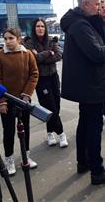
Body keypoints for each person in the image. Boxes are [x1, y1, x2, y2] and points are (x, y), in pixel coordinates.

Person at [60, 0, 105, 185]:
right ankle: (97, 170)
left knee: (85, 123)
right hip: (91, 86)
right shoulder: (80, 25)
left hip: (87, 85)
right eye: (96, 4)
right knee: (93, 127)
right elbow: (96, 53)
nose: (99, 7)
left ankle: (84, 162)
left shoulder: (81, 22)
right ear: (85, 4)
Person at [0, 28, 39, 176]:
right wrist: (1, 101)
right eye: (5, 39)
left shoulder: (27, 54)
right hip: (7, 101)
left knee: (25, 130)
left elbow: (34, 74)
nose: (7, 41)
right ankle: (9, 159)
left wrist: (27, 94)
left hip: (23, 100)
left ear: (18, 39)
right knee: (9, 131)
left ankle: (26, 157)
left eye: (11, 38)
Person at [25, 19, 68, 147]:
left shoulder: (51, 40)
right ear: (34, 28)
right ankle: (61, 134)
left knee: (56, 106)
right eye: (38, 26)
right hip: (41, 79)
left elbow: (59, 55)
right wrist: (49, 53)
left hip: (53, 77)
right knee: (50, 107)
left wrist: (43, 57)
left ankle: (49, 132)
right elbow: (34, 59)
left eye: (42, 26)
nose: (40, 28)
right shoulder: (29, 43)